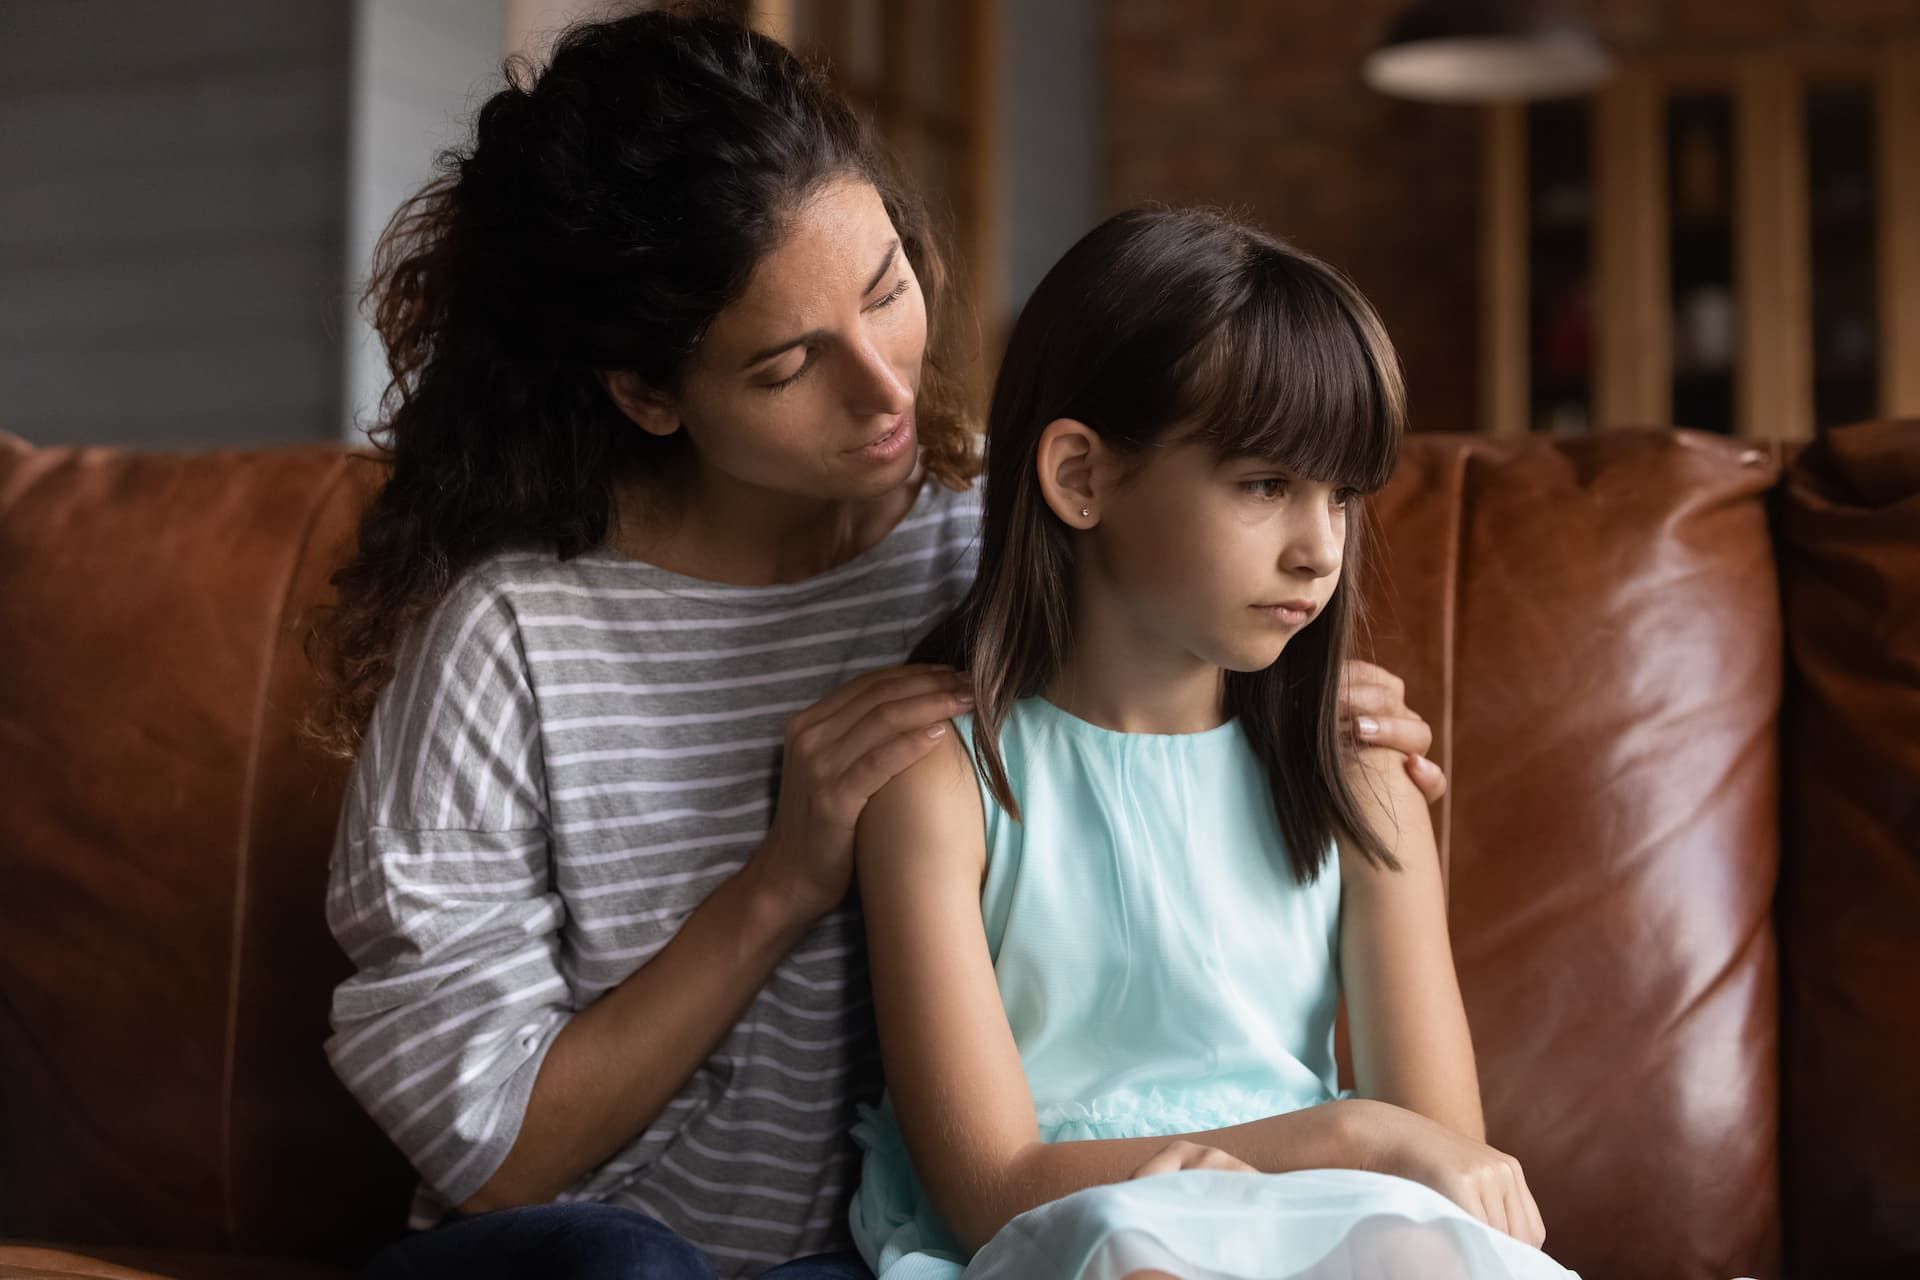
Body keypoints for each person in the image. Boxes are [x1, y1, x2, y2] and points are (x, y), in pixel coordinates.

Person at [310, 10, 1448, 1278]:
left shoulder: (990, 551)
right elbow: (493, 1153)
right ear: (646, 393)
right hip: (580, 1244)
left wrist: (1309, 707)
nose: (888, 390)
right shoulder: (507, 644)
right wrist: (779, 883)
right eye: (792, 362)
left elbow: (1183, 633)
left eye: (887, 287)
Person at [848, 206, 1578, 1280]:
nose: (1319, 549)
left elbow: (1444, 1162)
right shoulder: (942, 781)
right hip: (1071, 1234)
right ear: (1082, 477)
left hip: (1325, 1232)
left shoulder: (1360, 777)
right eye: (1266, 485)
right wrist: (1345, 1132)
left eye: (1341, 495)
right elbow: (993, 1189)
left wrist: (1370, 1155)